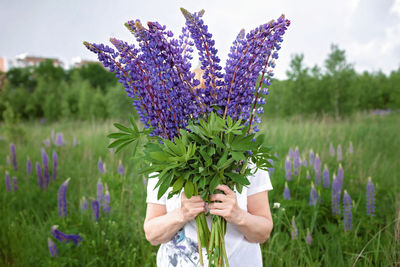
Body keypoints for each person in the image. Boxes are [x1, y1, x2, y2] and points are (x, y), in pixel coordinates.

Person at [144, 164, 273, 267]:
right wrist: (181, 214)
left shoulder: (248, 159)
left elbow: (263, 233)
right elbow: (152, 235)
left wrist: (239, 216)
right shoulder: (164, 157)